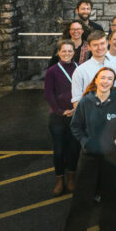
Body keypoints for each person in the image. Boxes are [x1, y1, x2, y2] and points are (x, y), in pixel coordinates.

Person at [59, 66, 116, 231]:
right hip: (89, 156)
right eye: (102, 78)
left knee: (112, 194)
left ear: (113, 83)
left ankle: (109, 229)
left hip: (112, 156)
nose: (105, 82)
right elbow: (76, 127)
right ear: (96, 80)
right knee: (82, 196)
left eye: (110, 79)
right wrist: (85, 142)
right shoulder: (86, 102)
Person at [45, 39, 79, 195]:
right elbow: (49, 94)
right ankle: (60, 180)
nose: (67, 54)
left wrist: (76, 109)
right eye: (64, 51)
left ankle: (71, 179)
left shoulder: (79, 68)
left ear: (74, 52)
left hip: (75, 115)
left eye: (70, 51)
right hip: (58, 117)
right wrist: (60, 111)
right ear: (58, 52)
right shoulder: (52, 70)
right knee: (59, 150)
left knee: (73, 149)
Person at [70, 30, 115, 105]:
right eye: (95, 45)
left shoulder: (115, 67)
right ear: (88, 47)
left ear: (107, 43)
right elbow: (76, 100)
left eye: (102, 43)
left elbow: (115, 95)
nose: (99, 47)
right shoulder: (80, 70)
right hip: (88, 114)